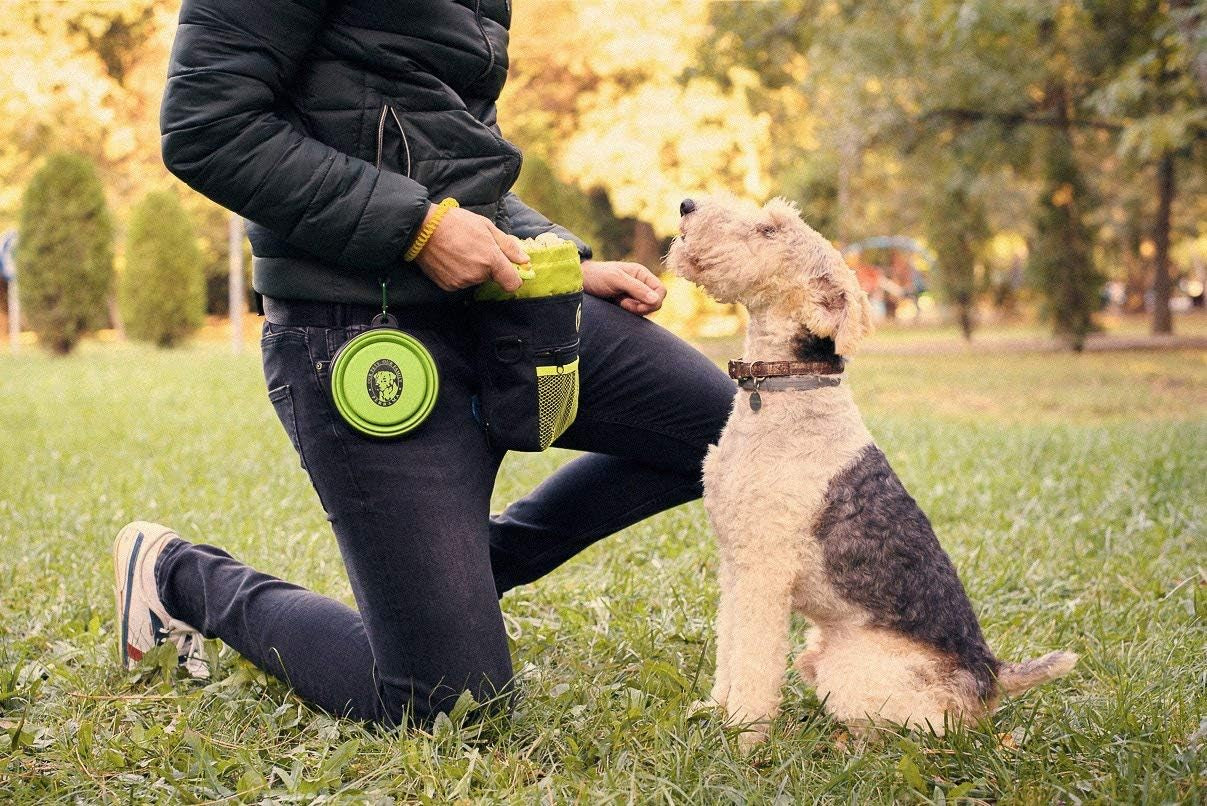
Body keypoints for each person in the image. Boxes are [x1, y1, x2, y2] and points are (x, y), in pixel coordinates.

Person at [113, 0, 735, 728]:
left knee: (736, 431)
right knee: (450, 708)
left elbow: (450, 149)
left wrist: (550, 254)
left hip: (502, 305)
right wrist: (416, 229)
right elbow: (208, 129)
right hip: (357, 331)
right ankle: (176, 575)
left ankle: (450, 586)